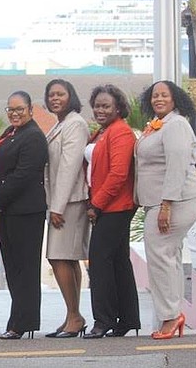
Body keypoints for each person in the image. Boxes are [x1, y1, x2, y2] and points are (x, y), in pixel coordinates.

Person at [135, 80, 196, 340]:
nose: (159, 99)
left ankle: (171, 316)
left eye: (164, 94)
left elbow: (177, 165)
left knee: (160, 256)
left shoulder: (176, 125)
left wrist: (166, 204)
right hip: (161, 201)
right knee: (169, 255)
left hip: (178, 199)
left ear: (175, 99)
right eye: (155, 95)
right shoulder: (157, 125)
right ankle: (173, 314)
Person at [0, 91, 48, 340]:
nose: (14, 114)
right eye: (10, 110)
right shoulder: (12, 133)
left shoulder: (34, 137)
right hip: (9, 211)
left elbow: (23, 176)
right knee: (12, 268)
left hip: (26, 212)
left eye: (19, 109)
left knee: (25, 269)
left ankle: (23, 323)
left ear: (30, 110)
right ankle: (17, 319)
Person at [82, 85, 140, 339]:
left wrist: (97, 204)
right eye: (97, 105)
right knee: (118, 263)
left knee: (100, 263)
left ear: (118, 107)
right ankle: (127, 319)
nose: (100, 110)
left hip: (115, 207)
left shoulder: (121, 133)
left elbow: (118, 175)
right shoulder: (103, 133)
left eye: (106, 106)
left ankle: (103, 320)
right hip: (107, 206)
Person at [43, 78, 90, 338]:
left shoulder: (75, 124)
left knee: (59, 256)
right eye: (51, 95)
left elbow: (70, 168)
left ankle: (75, 316)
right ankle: (72, 314)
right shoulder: (59, 125)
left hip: (69, 202)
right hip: (61, 202)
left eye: (60, 94)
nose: (55, 99)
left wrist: (57, 207)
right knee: (66, 258)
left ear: (70, 96)